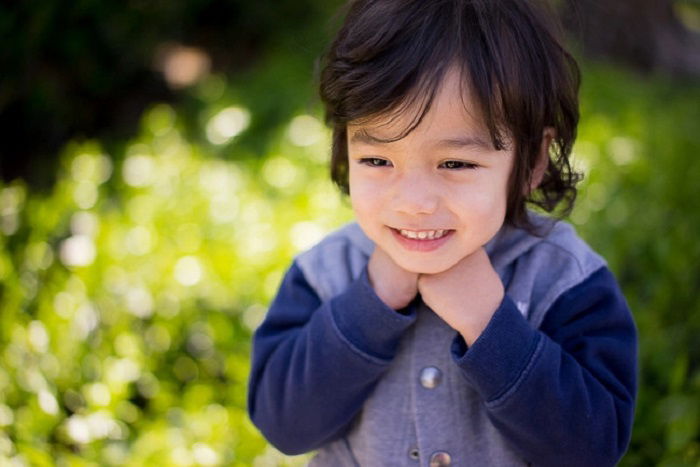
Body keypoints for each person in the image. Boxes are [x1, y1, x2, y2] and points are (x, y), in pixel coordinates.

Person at [247, 0, 637, 465]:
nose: (414, 202)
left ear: (532, 160)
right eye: (377, 160)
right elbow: (283, 425)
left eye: (455, 163)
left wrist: (491, 325)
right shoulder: (325, 272)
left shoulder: (564, 278)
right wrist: (369, 304)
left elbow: (592, 448)